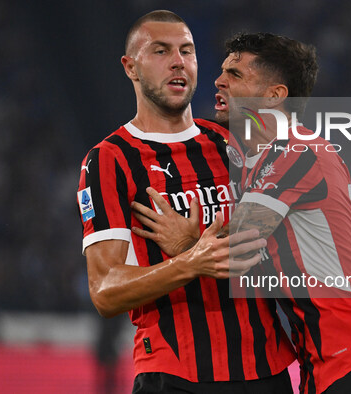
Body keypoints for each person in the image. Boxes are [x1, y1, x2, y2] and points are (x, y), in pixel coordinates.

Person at [133, 32, 351, 393]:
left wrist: (187, 240)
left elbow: (237, 251)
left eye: (236, 75)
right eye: (222, 71)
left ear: (274, 95)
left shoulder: (293, 150)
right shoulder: (268, 158)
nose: (219, 81)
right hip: (328, 365)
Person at [78, 10, 297, 394]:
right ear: (131, 67)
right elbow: (105, 290)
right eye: (161, 51)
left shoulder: (235, 145)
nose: (178, 61)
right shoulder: (109, 160)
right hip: (175, 377)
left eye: (187, 51)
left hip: (266, 372)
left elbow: (284, 249)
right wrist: (191, 261)